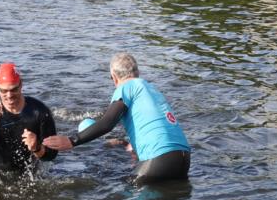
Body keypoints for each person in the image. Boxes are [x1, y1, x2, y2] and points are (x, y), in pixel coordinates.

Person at [44, 53, 190, 184]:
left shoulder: (126, 87)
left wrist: (71, 140)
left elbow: (108, 123)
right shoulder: (152, 89)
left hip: (159, 159)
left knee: (116, 188)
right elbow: (153, 125)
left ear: (114, 77)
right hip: (183, 159)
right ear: (137, 72)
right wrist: (131, 146)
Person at [0, 62, 58, 177]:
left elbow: (52, 154)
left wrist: (37, 147)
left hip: (27, 175)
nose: (9, 95)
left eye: (14, 89)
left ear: (21, 85)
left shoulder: (39, 112)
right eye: (4, 91)